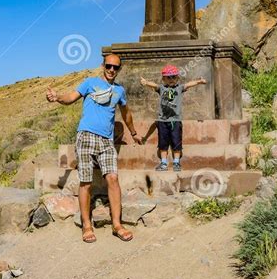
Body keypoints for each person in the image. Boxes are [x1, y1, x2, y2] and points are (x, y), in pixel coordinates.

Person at [46, 53, 142, 243]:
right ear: (103, 66)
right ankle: (87, 225)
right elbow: (70, 97)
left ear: (119, 69)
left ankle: (117, 225)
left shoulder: (119, 91)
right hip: (86, 136)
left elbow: (126, 113)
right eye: (109, 66)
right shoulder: (90, 83)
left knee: (113, 179)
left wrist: (133, 132)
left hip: (106, 140)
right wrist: (57, 97)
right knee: (86, 182)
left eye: (116, 67)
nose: (112, 70)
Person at [140, 65, 206, 171]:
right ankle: (164, 163)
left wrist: (198, 82)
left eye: (173, 77)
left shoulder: (179, 88)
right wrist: (146, 82)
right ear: (163, 79)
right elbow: (155, 85)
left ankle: (176, 163)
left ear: (177, 78)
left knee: (176, 142)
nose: (171, 79)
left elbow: (188, 84)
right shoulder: (162, 88)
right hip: (162, 121)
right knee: (163, 143)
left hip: (175, 120)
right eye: (168, 77)